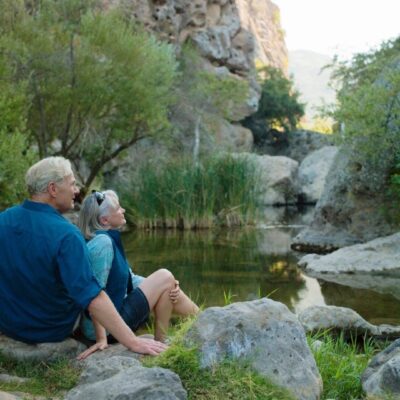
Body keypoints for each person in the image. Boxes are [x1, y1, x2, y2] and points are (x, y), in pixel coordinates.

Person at [0, 157, 167, 357]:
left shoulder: (4, 220)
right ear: (53, 189)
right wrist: (132, 341)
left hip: (10, 324)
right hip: (49, 329)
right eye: (72, 184)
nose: (77, 190)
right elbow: (92, 297)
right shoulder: (66, 234)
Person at [76, 190, 199, 359]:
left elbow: (129, 279)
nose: (123, 210)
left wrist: (164, 284)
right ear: (105, 220)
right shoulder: (102, 244)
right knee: (165, 275)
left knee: (167, 282)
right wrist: (101, 338)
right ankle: (167, 341)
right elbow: (94, 293)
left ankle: (202, 319)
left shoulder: (106, 237)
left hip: (115, 316)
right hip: (110, 326)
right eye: (118, 208)